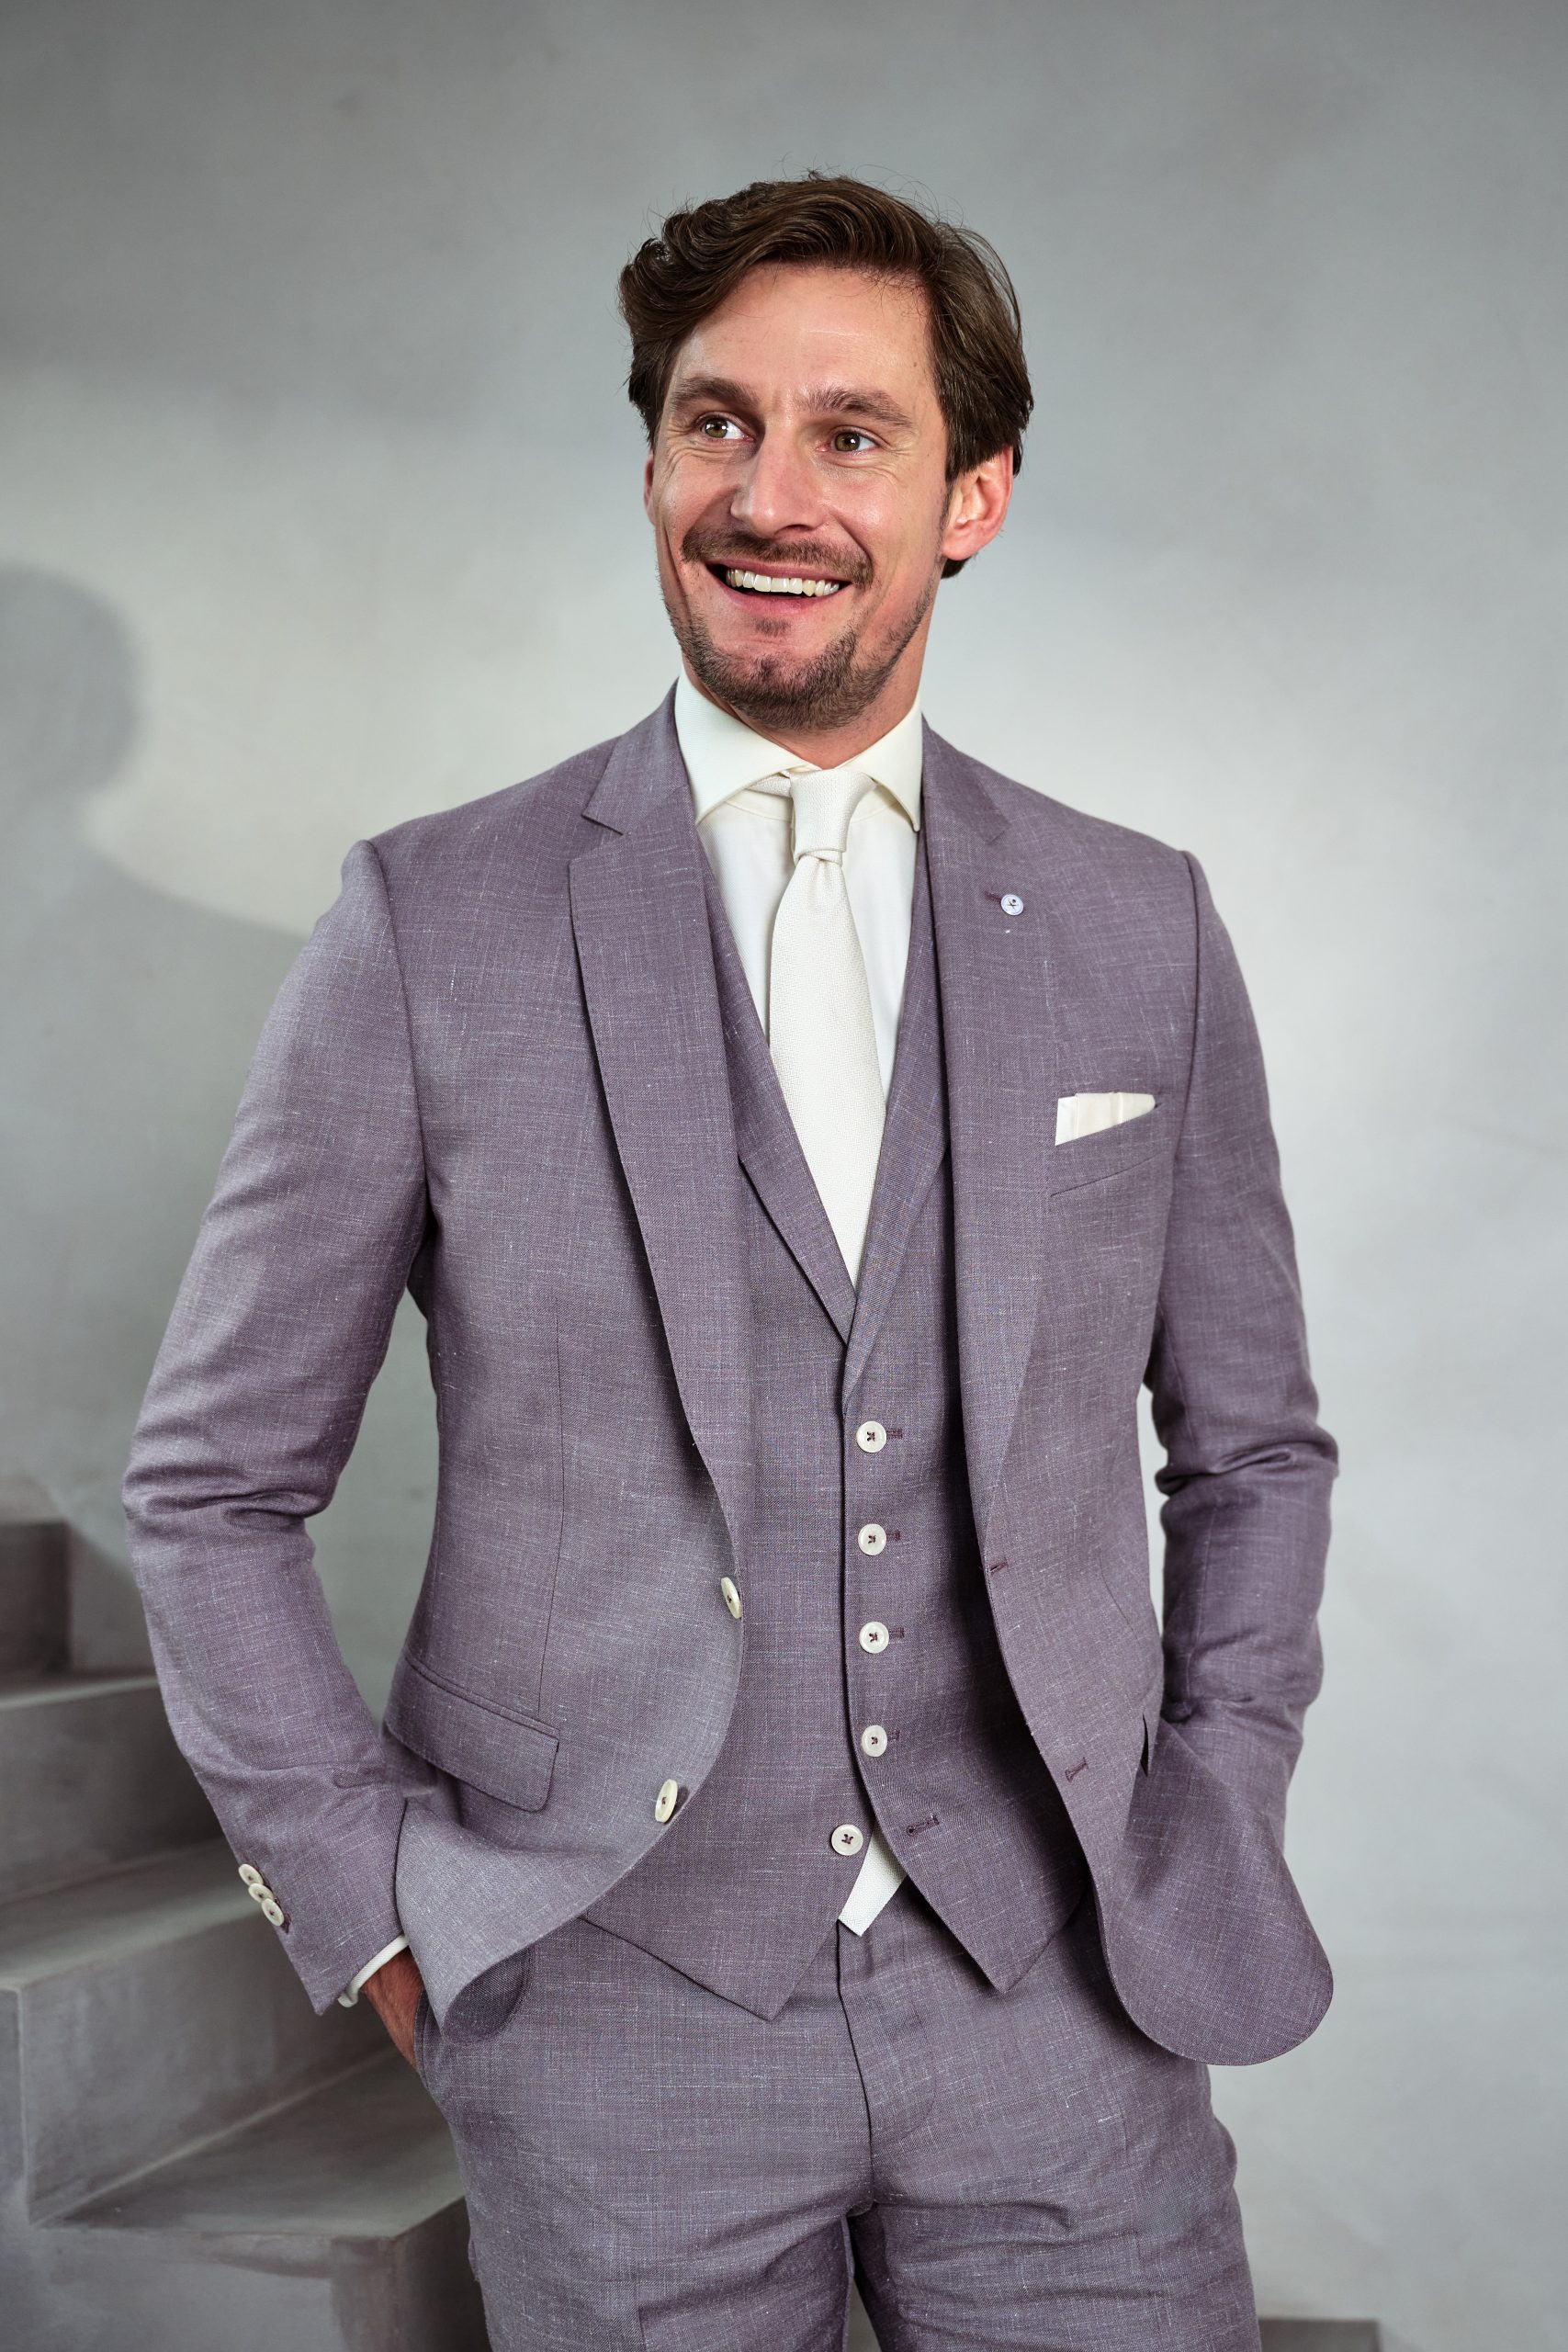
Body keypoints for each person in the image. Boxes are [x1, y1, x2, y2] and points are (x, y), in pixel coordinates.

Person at [123, 172, 1337, 2351]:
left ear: (971, 495)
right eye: (714, 422)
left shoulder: (1136, 920)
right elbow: (214, 1485)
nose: (767, 495)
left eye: (850, 433)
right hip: (605, 2012)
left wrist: (1210, 1798)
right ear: (653, 460)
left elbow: (1250, 1448)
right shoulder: (430, 918)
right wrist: (375, 1905)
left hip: (1058, 2002)